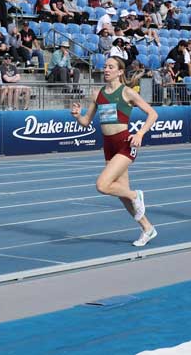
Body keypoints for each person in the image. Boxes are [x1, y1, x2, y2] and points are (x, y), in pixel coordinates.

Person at [70, 56, 160, 247]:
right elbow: (86, 122)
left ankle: (137, 195)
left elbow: (153, 114)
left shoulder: (127, 92)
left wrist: (141, 133)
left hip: (125, 143)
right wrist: (78, 116)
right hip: (108, 146)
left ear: (120, 72)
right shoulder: (98, 94)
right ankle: (148, 228)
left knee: (102, 185)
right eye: (105, 67)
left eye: (111, 67)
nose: (106, 70)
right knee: (122, 194)